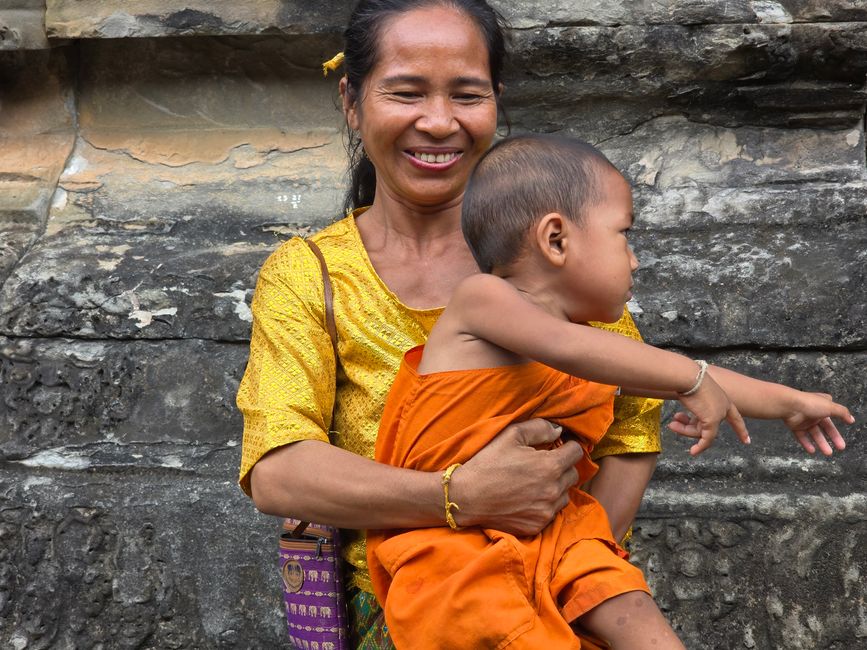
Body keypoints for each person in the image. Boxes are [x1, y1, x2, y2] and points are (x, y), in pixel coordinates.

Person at [236, 0, 771, 646]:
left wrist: (548, 580)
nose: (439, 122)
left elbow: (631, 423)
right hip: (407, 617)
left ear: (496, 102)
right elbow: (278, 471)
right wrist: (458, 496)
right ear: (352, 102)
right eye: (406, 93)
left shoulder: (551, 262)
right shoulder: (311, 275)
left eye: (467, 94)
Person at [366, 134, 853, 649]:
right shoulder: (481, 298)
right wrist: (688, 381)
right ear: (555, 239)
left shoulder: (592, 349)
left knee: (633, 609)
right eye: (624, 235)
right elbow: (579, 349)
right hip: (454, 548)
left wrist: (789, 403)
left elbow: (695, 374)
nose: (635, 261)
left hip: (555, 532)